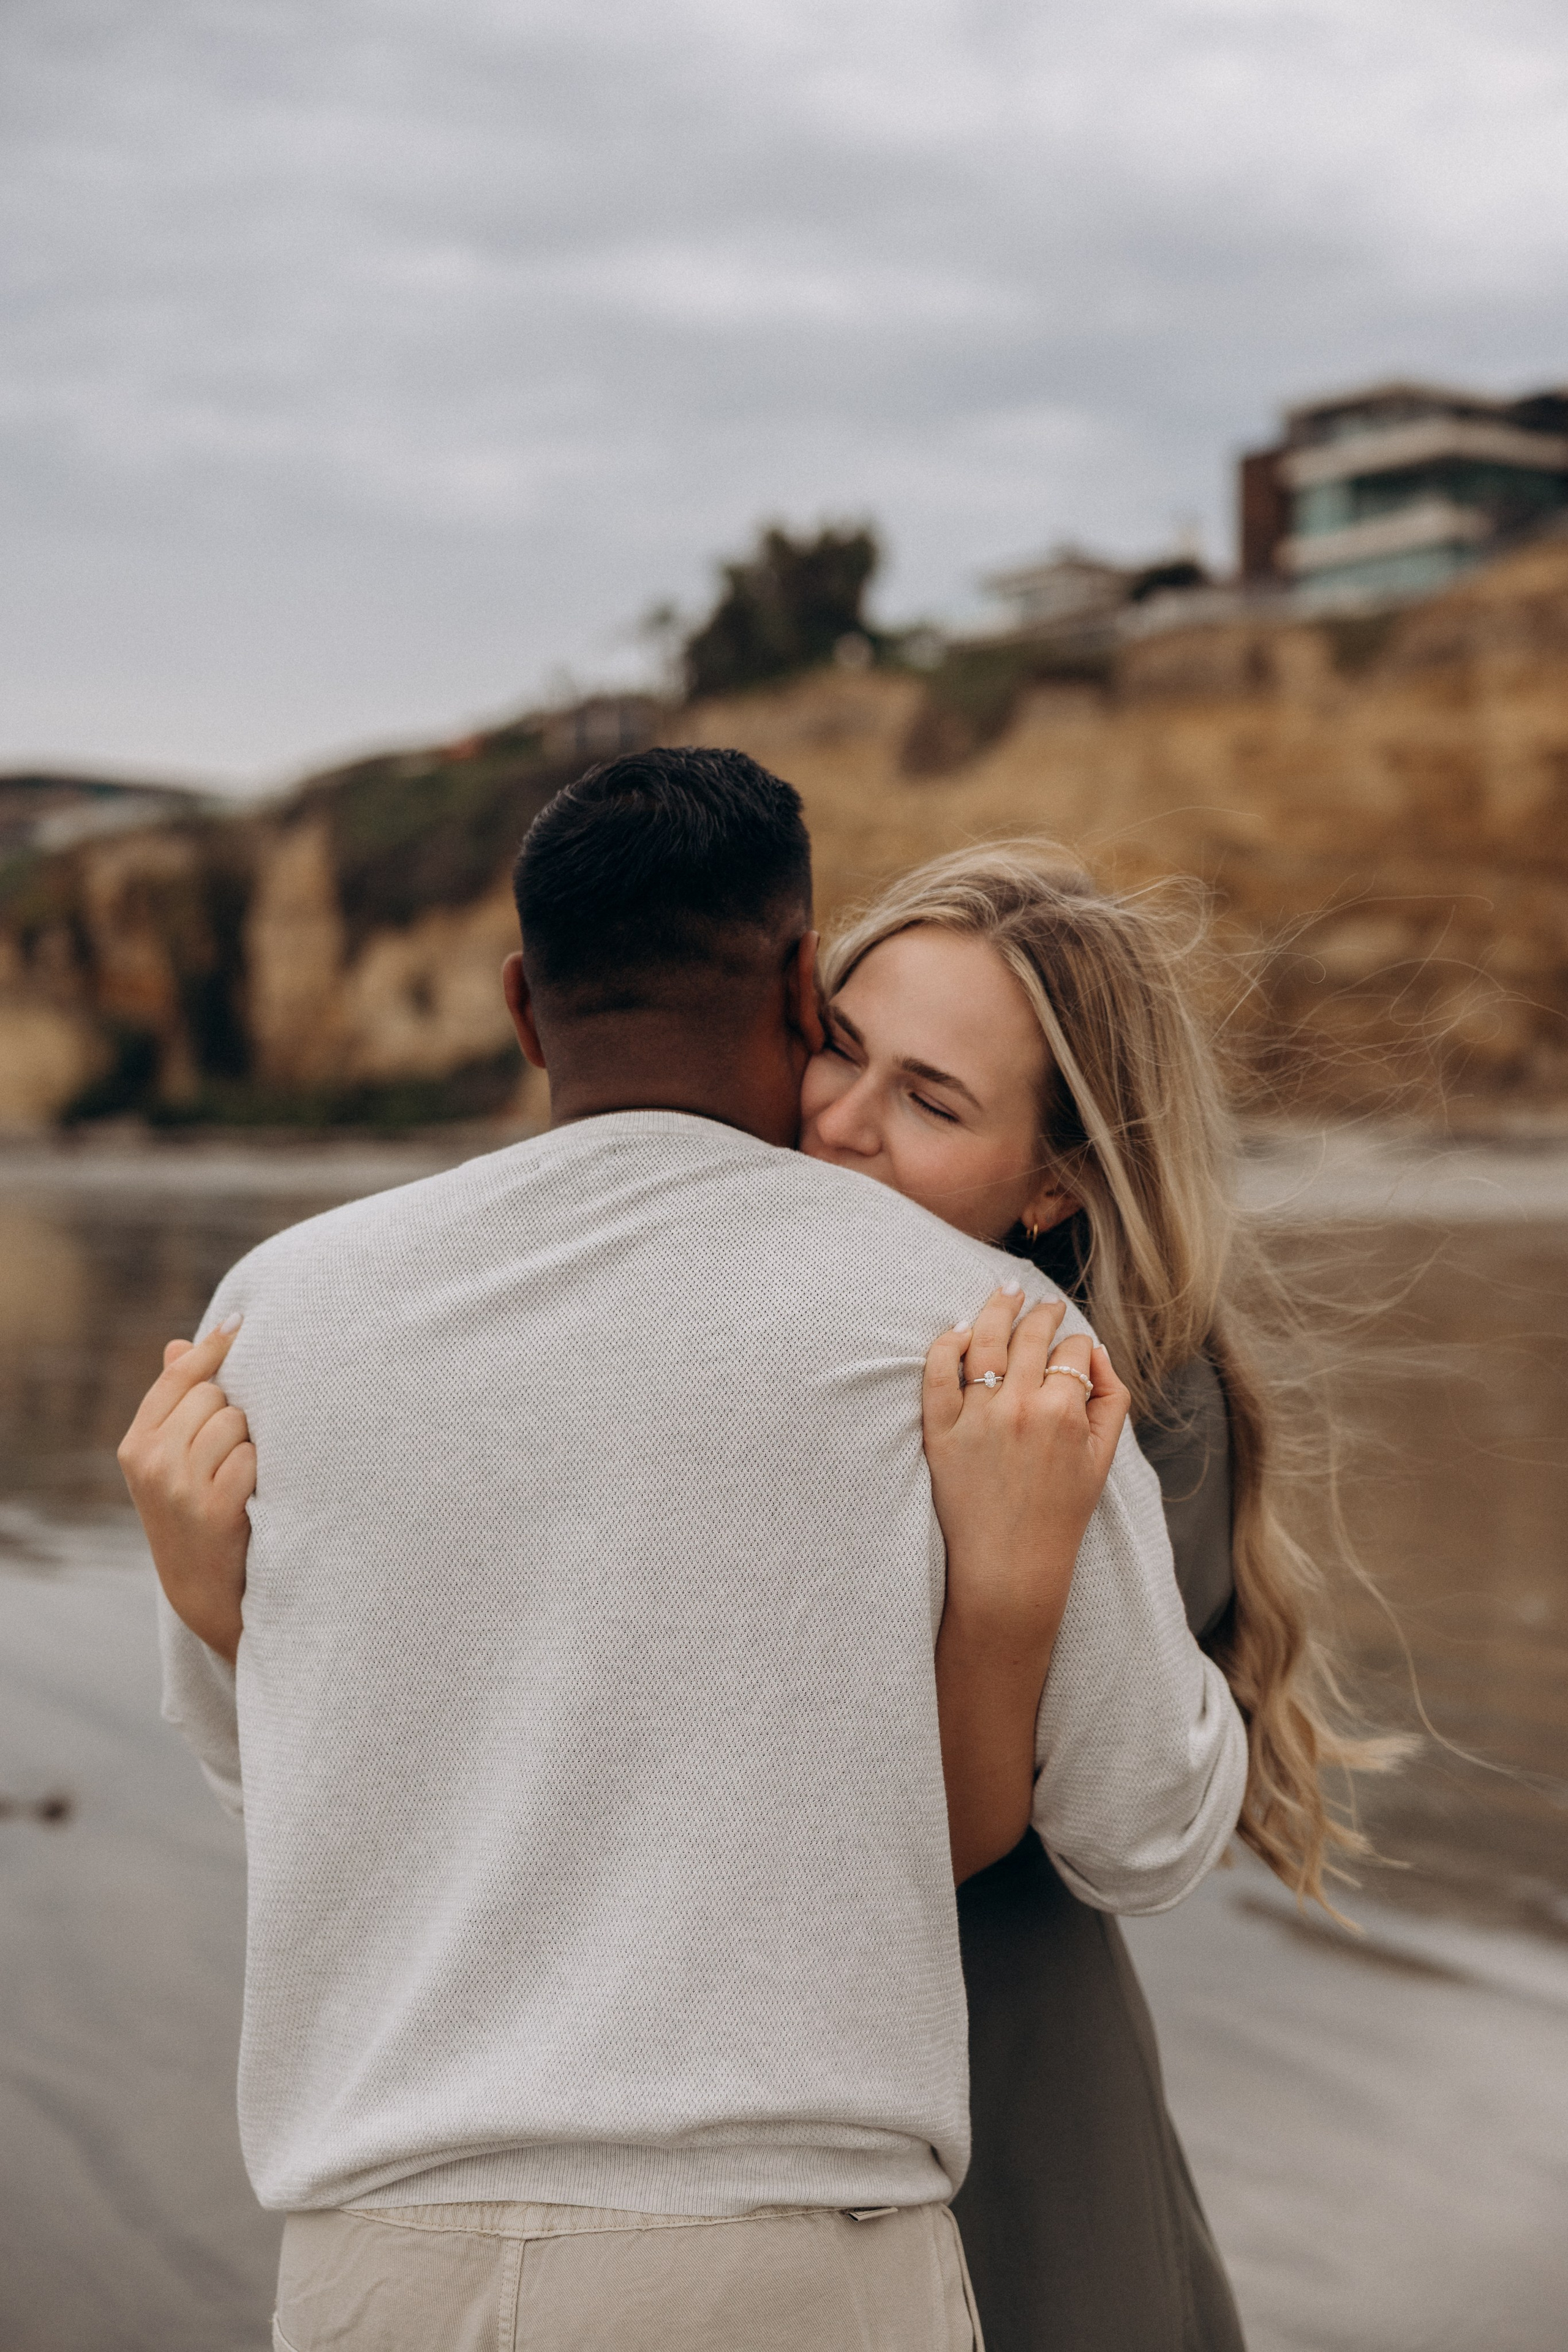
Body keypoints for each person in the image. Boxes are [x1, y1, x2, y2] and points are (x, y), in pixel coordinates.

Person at [123, 750, 1246, 2352]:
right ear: (798, 992)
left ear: (522, 1008)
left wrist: (238, 1620)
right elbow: (1147, 1827)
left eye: (932, 1100)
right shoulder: (976, 1328)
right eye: (846, 1049)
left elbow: (290, 1788)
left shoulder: (276, 1311)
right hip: (786, 2233)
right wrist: (221, 1602)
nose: (845, 1122)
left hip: (384, 2254)